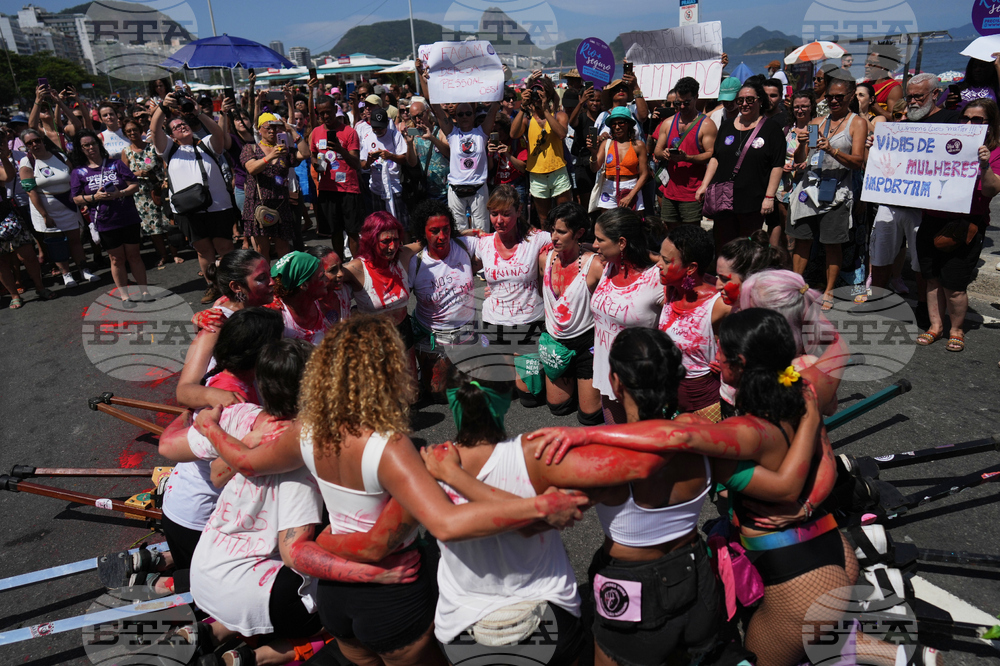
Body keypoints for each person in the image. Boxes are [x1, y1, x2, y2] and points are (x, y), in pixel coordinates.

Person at [189, 315, 588, 666]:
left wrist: (211, 429)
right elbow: (446, 523)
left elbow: (247, 462)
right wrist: (539, 507)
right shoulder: (389, 447)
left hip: (335, 599)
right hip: (392, 592)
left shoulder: (306, 430)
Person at [528, 308, 852, 666]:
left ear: (616, 382)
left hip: (644, 585)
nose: (716, 359)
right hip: (718, 574)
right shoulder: (750, 416)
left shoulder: (626, 453)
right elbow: (823, 452)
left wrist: (581, 435)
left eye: (723, 353)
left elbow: (670, 440)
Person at [162, 338, 421, 666]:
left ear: (260, 382)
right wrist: (373, 575)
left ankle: (217, 632)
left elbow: (182, 454)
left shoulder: (240, 416)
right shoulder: (304, 460)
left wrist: (202, 421)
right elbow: (294, 552)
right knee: (338, 615)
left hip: (205, 570)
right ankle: (256, 656)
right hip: (252, 589)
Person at [162, 306, 284, 594]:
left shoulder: (235, 373)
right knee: (209, 596)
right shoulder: (231, 402)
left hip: (191, 506)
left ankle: (161, 570)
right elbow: (219, 474)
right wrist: (260, 440)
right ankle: (161, 588)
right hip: (197, 516)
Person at [915, 99, 1000, 353]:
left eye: (977, 120)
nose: (970, 124)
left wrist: (984, 165)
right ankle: (935, 326)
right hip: (931, 219)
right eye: (966, 118)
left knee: (954, 284)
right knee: (931, 279)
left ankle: (956, 329)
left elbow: (992, 189)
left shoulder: (995, 151)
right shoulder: (944, 143)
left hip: (965, 225)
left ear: (989, 124)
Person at [787, 77, 867, 310]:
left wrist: (831, 149)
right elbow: (802, 160)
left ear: (851, 96)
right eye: (830, 96)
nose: (833, 100)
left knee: (832, 243)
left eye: (839, 97)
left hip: (837, 190)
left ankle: (830, 290)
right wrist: (802, 145)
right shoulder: (816, 122)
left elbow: (858, 161)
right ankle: (797, 285)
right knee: (801, 239)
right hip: (809, 188)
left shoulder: (857, 123)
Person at [151, 91, 236, 304]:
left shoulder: (206, 144)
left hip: (218, 207)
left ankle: (231, 285)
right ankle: (212, 286)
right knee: (204, 250)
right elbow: (154, 130)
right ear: (171, 135)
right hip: (188, 210)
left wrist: (198, 113)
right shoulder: (169, 150)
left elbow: (218, 134)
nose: (181, 126)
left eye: (184, 123)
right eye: (176, 127)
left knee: (225, 248)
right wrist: (162, 108)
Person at [476, 185, 552, 406]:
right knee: (503, 393)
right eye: (494, 214)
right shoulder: (483, 242)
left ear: (519, 211)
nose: (499, 220)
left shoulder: (537, 239)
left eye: (506, 213)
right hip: (495, 323)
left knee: (530, 397)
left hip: (528, 324)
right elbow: (452, 242)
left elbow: (566, 240)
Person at [589, 208, 663, 423]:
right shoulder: (606, 267)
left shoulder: (657, 277)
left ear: (621, 243)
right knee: (615, 441)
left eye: (600, 240)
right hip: (606, 371)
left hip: (639, 379)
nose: (594, 245)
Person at [175, 249, 274, 409]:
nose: (272, 282)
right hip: (235, 418)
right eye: (262, 278)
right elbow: (184, 391)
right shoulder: (216, 323)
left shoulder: (264, 308)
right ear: (236, 287)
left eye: (270, 274)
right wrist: (218, 395)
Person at [538, 202, 605, 425]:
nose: (554, 237)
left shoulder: (594, 265)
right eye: (552, 230)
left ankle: (591, 384)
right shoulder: (545, 258)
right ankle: (578, 386)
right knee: (558, 408)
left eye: (561, 231)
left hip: (586, 345)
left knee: (589, 416)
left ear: (579, 233)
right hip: (556, 343)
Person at [697, 80, 785, 248]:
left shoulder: (772, 128)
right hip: (724, 198)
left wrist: (769, 197)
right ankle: (725, 274)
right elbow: (716, 158)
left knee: (748, 246)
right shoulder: (726, 125)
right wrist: (704, 185)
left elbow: (777, 165)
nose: (744, 104)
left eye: (750, 99)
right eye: (740, 100)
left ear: (760, 100)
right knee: (724, 243)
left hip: (753, 199)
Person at [406, 199, 478, 401]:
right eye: (434, 231)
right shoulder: (415, 262)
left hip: (466, 333)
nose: (442, 236)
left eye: (446, 229)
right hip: (433, 337)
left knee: (474, 388)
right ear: (423, 232)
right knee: (438, 393)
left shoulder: (464, 246)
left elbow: (500, 244)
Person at [657, 224, 729, 421]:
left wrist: (732, 361)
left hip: (705, 404)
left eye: (665, 260)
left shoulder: (718, 303)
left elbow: (763, 326)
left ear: (690, 268)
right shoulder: (670, 287)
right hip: (669, 399)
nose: (658, 264)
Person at [69, 130, 149, 304]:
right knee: (116, 259)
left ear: (99, 145)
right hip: (105, 221)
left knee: (134, 255)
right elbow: (75, 198)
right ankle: (125, 296)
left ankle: (145, 292)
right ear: (80, 149)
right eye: (86, 145)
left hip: (127, 217)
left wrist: (120, 193)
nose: (91, 148)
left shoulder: (116, 164)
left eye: (93, 143)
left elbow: (134, 184)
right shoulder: (79, 172)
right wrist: (94, 198)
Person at [420, 65, 500, 233]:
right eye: (460, 114)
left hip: (478, 189)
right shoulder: (451, 133)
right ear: (455, 117)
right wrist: (422, 77)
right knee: (457, 231)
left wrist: (500, 77)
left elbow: (495, 106)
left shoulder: (481, 132)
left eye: (468, 113)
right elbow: (433, 103)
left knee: (481, 231)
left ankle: (479, 259)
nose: (464, 117)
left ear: (473, 115)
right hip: (456, 189)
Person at [18, 128, 98, 286]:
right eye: (30, 143)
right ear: (25, 146)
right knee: (57, 242)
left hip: (68, 204)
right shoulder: (26, 162)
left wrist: (80, 199)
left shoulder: (58, 155)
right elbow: (31, 192)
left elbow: (74, 177)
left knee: (76, 239)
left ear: (42, 140)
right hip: (46, 209)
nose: (34, 144)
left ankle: (84, 270)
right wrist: (44, 215)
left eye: (37, 140)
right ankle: (66, 274)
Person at [342, 211, 417, 362]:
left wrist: (462, 233)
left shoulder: (402, 255)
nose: (392, 247)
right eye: (385, 241)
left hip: (404, 331)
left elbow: (430, 240)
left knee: (410, 381)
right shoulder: (356, 268)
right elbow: (325, 275)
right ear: (371, 240)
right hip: (372, 339)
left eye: (396, 239)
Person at [242, 113, 308, 263]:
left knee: (283, 247)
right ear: (259, 130)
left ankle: (282, 281)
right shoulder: (250, 148)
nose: (272, 131)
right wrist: (270, 157)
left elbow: (305, 153)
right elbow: (251, 168)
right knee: (262, 249)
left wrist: (292, 131)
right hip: (258, 204)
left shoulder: (284, 150)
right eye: (267, 128)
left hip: (280, 204)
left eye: (275, 128)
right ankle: (266, 281)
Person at [653, 76, 717, 226]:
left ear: (696, 98)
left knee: (690, 235)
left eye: (686, 103)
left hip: (692, 192)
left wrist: (687, 158)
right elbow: (657, 151)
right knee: (670, 232)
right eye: (678, 103)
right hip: (670, 191)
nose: (681, 107)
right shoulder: (668, 123)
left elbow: (711, 155)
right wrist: (665, 154)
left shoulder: (706, 125)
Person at [0, 136, 54, 308]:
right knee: (1, 263)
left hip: (5, 215)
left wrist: (2, 157)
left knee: (27, 255)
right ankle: (14, 295)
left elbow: (8, 176)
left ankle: (40, 287)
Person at [511, 73, 573, 224]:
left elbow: (561, 134)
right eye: (534, 91)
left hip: (558, 171)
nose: (537, 96)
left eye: (541, 92)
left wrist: (545, 110)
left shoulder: (559, 116)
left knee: (564, 216)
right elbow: (513, 134)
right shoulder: (527, 119)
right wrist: (522, 107)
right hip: (537, 174)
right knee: (544, 220)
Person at [121, 119, 181, 268]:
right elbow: (123, 174)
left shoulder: (152, 147)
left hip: (160, 189)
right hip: (142, 195)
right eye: (128, 131)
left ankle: (175, 253)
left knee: (168, 222)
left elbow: (165, 161)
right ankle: (163, 255)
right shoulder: (126, 152)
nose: (132, 133)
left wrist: (166, 177)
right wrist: (137, 173)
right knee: (153, 228)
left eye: (134, 129)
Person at [310, 97, 363, 259]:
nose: (326, 116)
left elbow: (356, 163)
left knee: (353, 232)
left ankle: (357, 266)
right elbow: (313, 156)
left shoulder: (349, 132)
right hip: (327, 189)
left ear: (335, 110)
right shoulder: (316, 133)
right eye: (322, 113)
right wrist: (318, 164)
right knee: (335, 231)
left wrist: (340, 149)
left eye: (328, 112)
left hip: (349, 189)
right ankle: (339, 264)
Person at [360, 106, 417, 221]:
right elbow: (363, 164)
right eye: (375, 127)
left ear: (386, 124)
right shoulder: (367, 138)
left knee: (401, 224)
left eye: (381, 128)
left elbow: (403, 158)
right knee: (380, 224)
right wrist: (369, 161)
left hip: (394, 187)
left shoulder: (395, 135)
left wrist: (390, 156)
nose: (377, 131)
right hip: (376, 188)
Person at [592, 107, 649, 212]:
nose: (617, 127)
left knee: (631, 223)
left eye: (621, 123)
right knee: (608, 224)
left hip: (631, 187)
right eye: (614, 124)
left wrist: (631, 195)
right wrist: (593, 153)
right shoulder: (606, 144)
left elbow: (644, 174)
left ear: (628, 125)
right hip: (609, 187)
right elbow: (594, 168)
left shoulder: (638, 145)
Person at [567, 85, 603, 210]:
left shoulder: (604, 118)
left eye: (598, 100)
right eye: (592, 100)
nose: (595, 103)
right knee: (586, 203)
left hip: (600, 162)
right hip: (583, 164)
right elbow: (572, 122)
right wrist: (581, 102)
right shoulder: (581, 118)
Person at [409, 97, 450, 202]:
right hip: (428, 192)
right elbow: (412, 163)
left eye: (420, 115)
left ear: (427, 112)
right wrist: (409, 144)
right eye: (414, 118)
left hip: (447, 190)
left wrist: (432, 138)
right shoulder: (413, 135)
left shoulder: (439, 131)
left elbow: (449, 153)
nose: (418, 120)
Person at [28, 84, 82, 151]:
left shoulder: (63, 130)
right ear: (38, 116)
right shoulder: (41, 133)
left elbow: (78, 125)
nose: (46, 110)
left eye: (48, 108)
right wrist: (38, 99)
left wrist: (59, 102)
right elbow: (32, 126)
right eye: (42, 109)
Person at [864, 42, 904, 121]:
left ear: (883, 65)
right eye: (866, 62)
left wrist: (874, 105)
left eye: (871, 63)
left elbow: (895, 118)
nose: (866, 66)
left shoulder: (893, 88)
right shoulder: (865, 84)